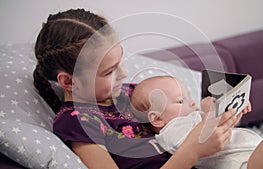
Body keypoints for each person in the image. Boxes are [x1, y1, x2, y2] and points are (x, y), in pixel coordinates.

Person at [33, 8, 250, 169]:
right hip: (193, 159)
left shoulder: (131, 93)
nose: (124, 73)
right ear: (69, 82)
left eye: (120, 62)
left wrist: (224, 114)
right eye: (109, 72)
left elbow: (187, 121)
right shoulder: (78, 122)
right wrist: (193, 151)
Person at [130, 75, 263, 169]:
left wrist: (234, 109)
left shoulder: (190, 118)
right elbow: (199, 139)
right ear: (157, 118)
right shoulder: (170, 132)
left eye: (189, 97)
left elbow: (222, 134)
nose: (192, 103)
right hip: (244, 165)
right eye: (181, 101)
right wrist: (210, 111)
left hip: (252, 156)